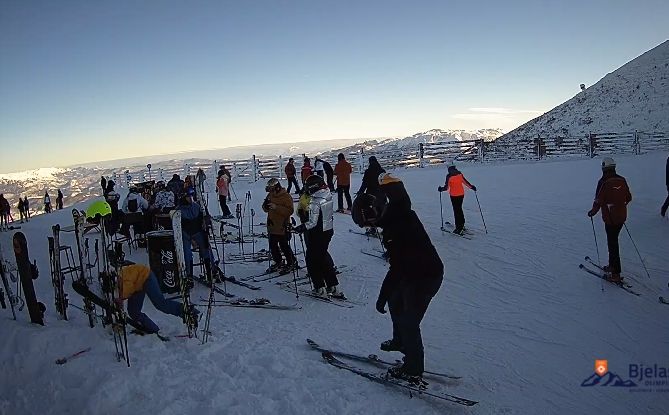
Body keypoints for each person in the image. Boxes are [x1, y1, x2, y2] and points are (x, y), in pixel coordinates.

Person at [354, 172, 443, 382]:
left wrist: (381, 295)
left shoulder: (395, 225)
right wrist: (388, 183)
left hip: (426, 276)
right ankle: (400, 341)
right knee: (396, 301)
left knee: (409, 322)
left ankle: (413, 369)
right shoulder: (396, 213)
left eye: (366, 224)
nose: (369, 228)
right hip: (414, 272)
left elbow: (397, 269)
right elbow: (400, 198)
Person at [294, 175, 342, 297]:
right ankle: (333, 285)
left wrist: (301, 227)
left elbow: (312, 223)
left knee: (311, 260)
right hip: (328, 230)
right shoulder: (327, 194)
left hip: (317, 233)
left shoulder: (315, 200)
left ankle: (319, 287)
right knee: (322, 257)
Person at [116, 262, 198, 334]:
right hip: (138, 286)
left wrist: (119, 300)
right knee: (133, 312)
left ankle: (187, 311)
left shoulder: (123, 280)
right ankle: (153, 329)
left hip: (147, 277)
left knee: (160, 304)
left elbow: (125, 292)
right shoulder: (120, 284)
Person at [587, 157, 632, 283]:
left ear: (603, 168)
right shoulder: (622, 180)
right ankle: (613, 266)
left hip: (610, 219)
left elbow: (598, 199)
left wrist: (592, 212)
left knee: (612, 244)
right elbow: (628, 197)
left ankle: (615, 273)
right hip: (622, 216)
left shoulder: (603, 182)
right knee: (613, 242)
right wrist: (620, 206)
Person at [262, 178, 296, 273]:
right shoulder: (270, 195)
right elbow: (265, 209)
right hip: (272, 225)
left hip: (282, 225)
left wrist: (276, 207)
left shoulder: (286, 196)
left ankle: (291, 262)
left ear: (277, 187)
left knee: (284, 245)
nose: (271, 191)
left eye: (272, 189)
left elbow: (290, 211)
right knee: (273, 246)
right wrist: (266, 206)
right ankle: (278, 261)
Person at [179, 187, 213, 280]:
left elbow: (202, 219)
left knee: (206, 247)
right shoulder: (179, 210)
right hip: (186, 234)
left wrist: (206, 220)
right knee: (187, 253)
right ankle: (189, 275)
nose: (190, 198)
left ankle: (211, 271)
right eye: (188, 197)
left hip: (197, 232)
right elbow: (180, 226)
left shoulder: (197, 206)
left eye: (191, 196)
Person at [438, 163, 476, 235]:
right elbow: (465, 182)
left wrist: (441, 189)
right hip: (461, 194)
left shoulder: (449, 176)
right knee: (459, 209)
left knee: (457, 211)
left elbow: (446, 188)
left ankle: (459, 228)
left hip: (454, 195)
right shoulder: (459, 174)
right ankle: (462, 225)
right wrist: (472, 187)